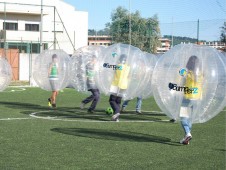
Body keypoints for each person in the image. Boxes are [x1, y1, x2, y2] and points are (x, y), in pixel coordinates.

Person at [179, 55, 203, 145]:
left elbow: (181, 83)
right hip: (197, 98)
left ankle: (188, 133)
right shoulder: (201, 74)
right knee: (190, 118)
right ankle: (186, 137)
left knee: (183, 117)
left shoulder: (187, 73)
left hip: (188, 97)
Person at [109, 54, 130, 121]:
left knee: (112, 100)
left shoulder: (118, 66)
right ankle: (116, 118)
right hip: (124, 86)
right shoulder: (128, 67)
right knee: (118, 101)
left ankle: (117, 112)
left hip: (116, 84)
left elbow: (110, 69)